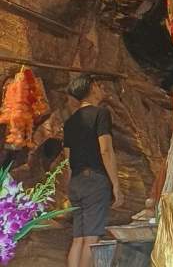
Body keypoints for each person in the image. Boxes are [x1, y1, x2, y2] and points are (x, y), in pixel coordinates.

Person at [64, 75, 123, 267]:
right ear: (91, 88)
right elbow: (105, 149)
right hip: (94, 181)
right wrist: (115, 184)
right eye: (97, 85)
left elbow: (67, 159)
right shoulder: (101, 114)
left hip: (76, 182)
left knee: (78, 239)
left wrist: (69, 187)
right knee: (91, 239)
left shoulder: (70, 122)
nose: (100, 87)